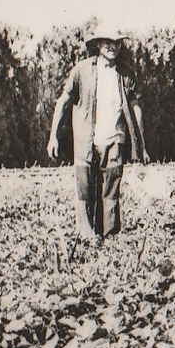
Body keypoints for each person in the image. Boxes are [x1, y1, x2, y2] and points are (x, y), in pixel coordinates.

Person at [46, 28, 148, 241]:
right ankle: (87, 235)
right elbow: (63, 102)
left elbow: (136, 107)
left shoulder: (126, 73)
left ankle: (109, 237)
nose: (113, 47)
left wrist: (142, 144)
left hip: (114, 140)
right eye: (108, 43)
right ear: (99, 45)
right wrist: (53, 136)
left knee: (111, 191)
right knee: (85, 190)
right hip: (86, 141)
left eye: (117, 43)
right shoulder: (82, 70)